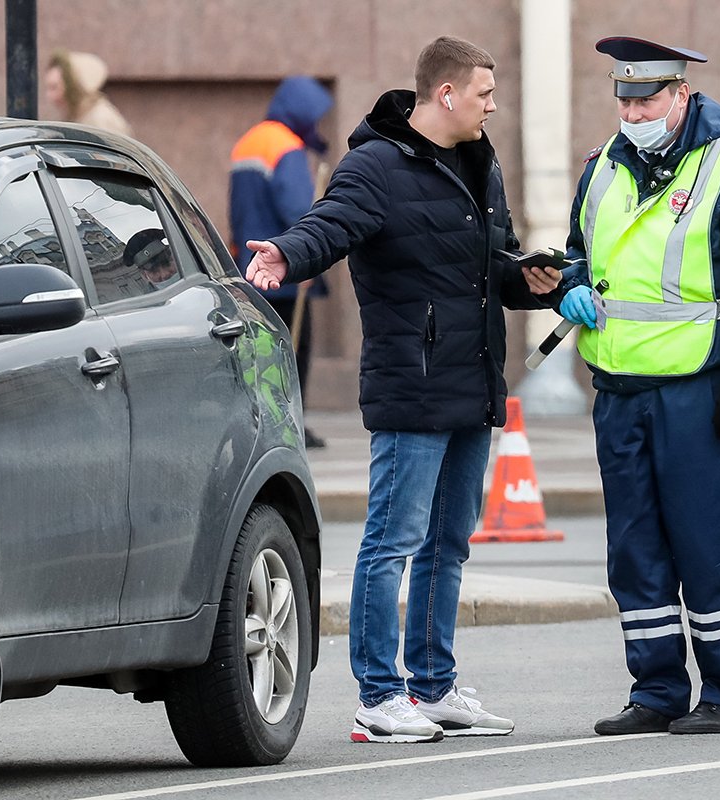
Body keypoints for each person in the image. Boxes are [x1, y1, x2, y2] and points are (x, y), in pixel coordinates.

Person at [243, 36, 565, 744]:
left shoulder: (481, 162)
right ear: (444, 94)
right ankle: (378, 696)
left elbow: (495, 262)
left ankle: (434, 686)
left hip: (473, 383)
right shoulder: (376, 164)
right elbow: (331, 224)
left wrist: (537, 278)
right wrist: (286, 255)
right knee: (392, 541)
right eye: (483, 92)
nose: (492, 104)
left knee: (448, 545)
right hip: (413, 389)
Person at [558, 36, 720, 736]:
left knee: (706, 545)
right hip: (620, 389)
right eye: (624, 99)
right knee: (635, 551)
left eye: (647, 99)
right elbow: (579, 253)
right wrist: (571, 287)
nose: (633, 111)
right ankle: (657, 690)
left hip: (701, 391)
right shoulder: (603, 167)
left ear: (680, 95)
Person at [230, 76, 334, 449]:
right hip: (285, 269)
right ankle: (292, 424)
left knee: (261, 350)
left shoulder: (249, 142)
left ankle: (264, 422)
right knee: (293, 348)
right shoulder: (286, 147)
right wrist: (306, 257)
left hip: (252, 264)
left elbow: (238, 210)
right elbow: (297, 209)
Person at [43, 49, 133, 137]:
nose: (50, 96)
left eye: (54, 88)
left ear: (73, 88)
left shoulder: (101, 119)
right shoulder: (78, 116)